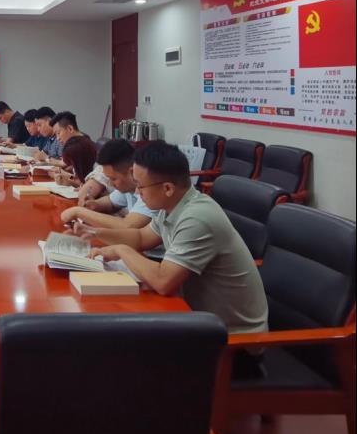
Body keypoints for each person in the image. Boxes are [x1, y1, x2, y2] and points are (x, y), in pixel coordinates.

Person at [89, 141, 268, 337]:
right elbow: (141, 237)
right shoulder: (172, 206)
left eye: (140, 186)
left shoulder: (196, 218)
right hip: (196, 316)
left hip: (232, 336)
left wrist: (121, 250)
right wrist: (95, 233)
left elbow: (163, 282)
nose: (137, 192)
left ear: (167, 188)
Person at [61, 139, 155, 231]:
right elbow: (110, 203)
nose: (110, 183)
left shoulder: (150, 190)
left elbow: (128, 225)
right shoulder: (128, 188)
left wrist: (79, 212)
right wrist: (94, 204)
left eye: (113, 179)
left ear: (132, 172)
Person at [50, 111, 97, 182]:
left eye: (58, 133)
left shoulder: (76, 147)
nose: (57, 138)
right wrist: (65, 173)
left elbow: (82, 182)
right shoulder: (84, 138)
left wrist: (67, 177)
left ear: (70, 129)